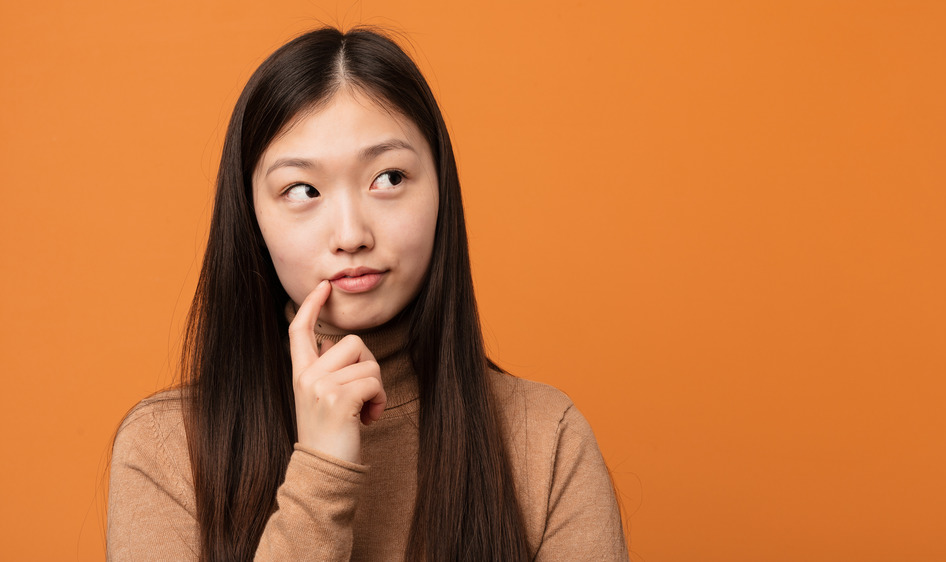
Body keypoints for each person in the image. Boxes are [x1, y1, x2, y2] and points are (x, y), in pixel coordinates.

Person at [107, 26, 627, 561]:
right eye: (302, 190)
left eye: (389, 178)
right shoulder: (167, 450)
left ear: (441, 188)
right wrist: (321, 475)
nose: (352, 233)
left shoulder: (544, 437)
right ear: (251, 217)